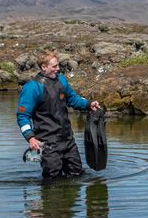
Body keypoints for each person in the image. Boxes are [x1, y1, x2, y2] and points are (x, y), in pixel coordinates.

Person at [17, 50, 100, 179]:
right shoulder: (32, 88)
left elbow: (73, 99)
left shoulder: (61, 80)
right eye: (54, 66)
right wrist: (31, 138)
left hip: (67, 140)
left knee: (77, 174)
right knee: (52, 179)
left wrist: (89, 105)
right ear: (44, 67)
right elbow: (22, 116)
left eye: (58, 65)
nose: (58, 69)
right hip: (47, 143)